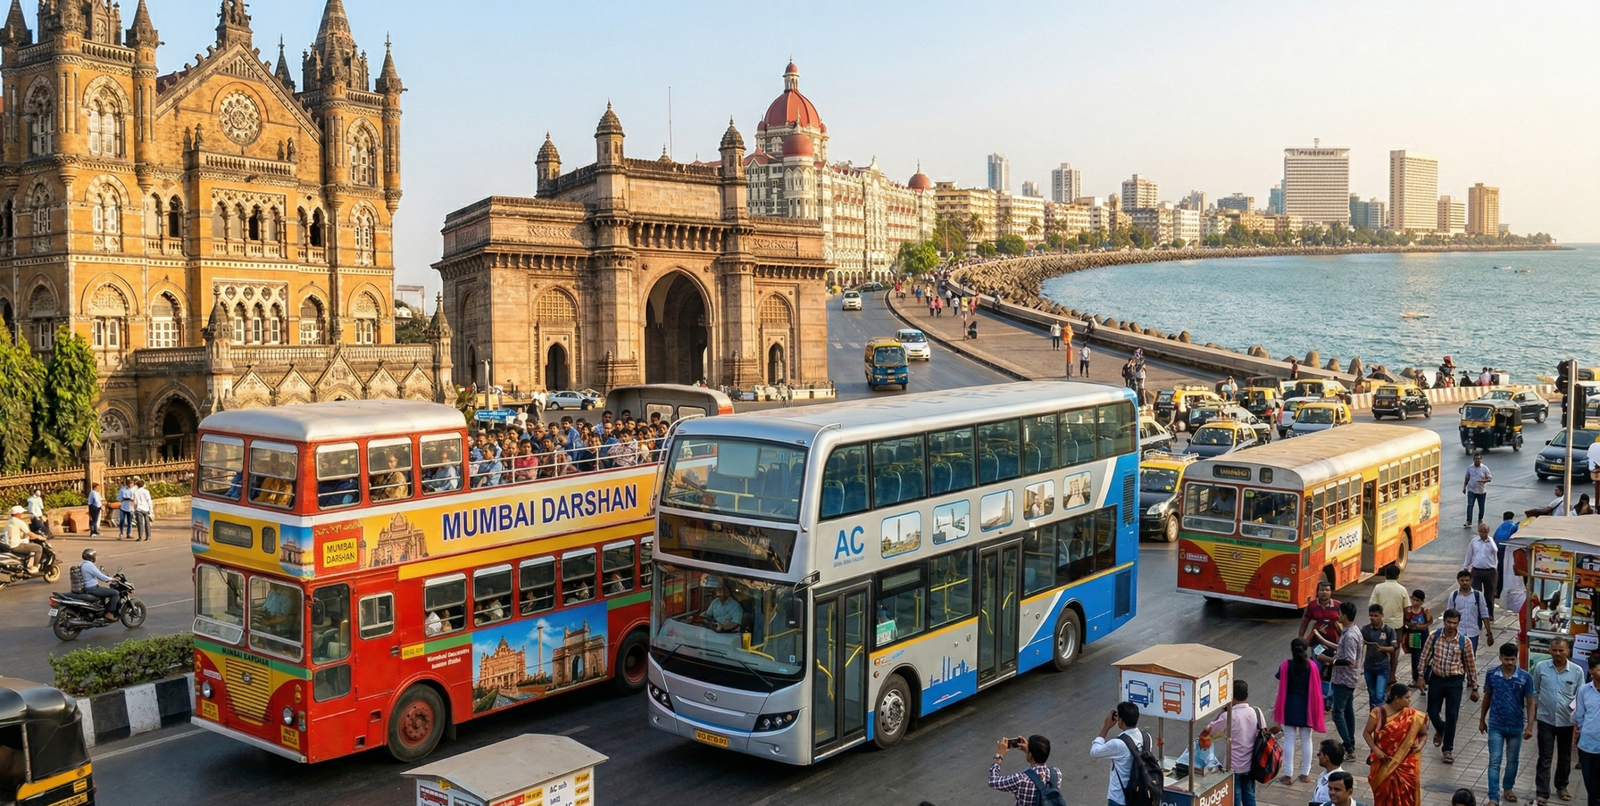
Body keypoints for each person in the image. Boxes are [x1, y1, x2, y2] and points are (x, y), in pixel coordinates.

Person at [1419, 609, 1481, 764]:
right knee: (1432, 711)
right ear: (1444, 621)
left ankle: (1447, 749)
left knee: (1452, 714)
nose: (1451, 625)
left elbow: (1470, 664)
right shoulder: (1434, 636)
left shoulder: (1464, 642)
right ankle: (1441, 728)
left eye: (1455, 623)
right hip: (1436, 679)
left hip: (1455, 682)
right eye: (1449, 622)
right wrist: (1420, 676)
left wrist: (1474, 686)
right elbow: (1425, 656)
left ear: (1458, 623)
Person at [1481, 642, 1536, 806]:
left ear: (1516, 658)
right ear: (1500, 658)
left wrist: (1530, 726)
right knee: (1494, 761)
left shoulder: (1525, 677)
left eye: (1513, 659)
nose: (1510, 663)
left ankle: (1508, 788)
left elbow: (1530, 702)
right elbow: (1487, 698)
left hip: (1516, 726)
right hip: (1496, 725)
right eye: (1506, 659)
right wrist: (1482, 720)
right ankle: (1493, 797)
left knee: (1513, 760)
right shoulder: (1492, 675)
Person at [1530, 636, 1583, 805]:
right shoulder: (1541, 667)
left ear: (1568, 651)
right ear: (1549, 650)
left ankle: (1561, 786)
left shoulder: (1577, 671)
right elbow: (1535, 689)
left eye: (1561, 650)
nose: (1558, 653)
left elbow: (1580, 697)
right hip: (1545, 719)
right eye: (1555, 650)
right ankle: (1542, 793)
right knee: (1545, 757)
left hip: (1567, 721)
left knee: (1565, 756)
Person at [1363, 684, 1426, 806]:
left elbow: (1424, 734)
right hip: (1383, 762)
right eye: (1407, 697)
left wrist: (1420, 746)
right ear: (1397, 698)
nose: (1410, 700)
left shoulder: (1414, 716)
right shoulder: (1378, 713)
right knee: (1383, 795)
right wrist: (1376, 750)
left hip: (1406, 764)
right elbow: (1366, 733)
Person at [1276, 637, 1327, 782]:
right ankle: (1305, 774)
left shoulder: (1285, 665)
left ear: (1291, 650)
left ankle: (1288, 774)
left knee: (1289, 740)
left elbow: (1279, 677)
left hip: (1290, 706)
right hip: (1307, 708)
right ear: (1306, 650)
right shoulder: (1312, 666)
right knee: (1307, 740)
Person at [1205, 679, 1262, 805]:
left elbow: (1210, 730)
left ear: (1230, 696)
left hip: (1234, 765)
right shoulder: (1256, 711)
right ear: (1246, 695)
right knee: (1249, 795)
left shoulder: (1228, 716)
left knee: (1234, 799)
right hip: (1252, 763)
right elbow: (1263, 731)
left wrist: (1223, 710)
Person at [1090, 702, 1150, 806]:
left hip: (1119, 799)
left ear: (1121, 721)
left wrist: (1106, 727)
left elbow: (1094, 752)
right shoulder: (1147, 737)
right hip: (1139, 796)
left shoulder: (1118, 744)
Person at [988, 734, 1061, 806]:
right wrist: (1029, 751)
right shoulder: (1056, 773)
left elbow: (992, 781)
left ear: (1030, 755)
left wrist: (999, 755)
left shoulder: (1021, 779)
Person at [1329, 601, 1363, 756]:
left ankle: (1348, 745)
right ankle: (1351, 742)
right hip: (1348, 679)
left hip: (1344, 679)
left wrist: (1331, 661)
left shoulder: (1350, 635)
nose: (1337, 616)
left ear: (1345, 615)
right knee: (1348, 710)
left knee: (1337, 713)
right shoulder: (1352, 630)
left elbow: (1350, 660)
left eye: (1339, 613)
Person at [1301, 579, 1343, 705]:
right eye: (1322, 590)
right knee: (1317, 668)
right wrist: (1301, 639)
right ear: (1317, 592)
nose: (1324, 592)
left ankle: (1327, 701)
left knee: (1330, 671)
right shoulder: (1312, 605)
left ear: (1331, 592)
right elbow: (1305, 622)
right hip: (1317, 643)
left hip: (1334, 644)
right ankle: (1315, 697)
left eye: (1327, 590)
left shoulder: (1338, 605)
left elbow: (1343, 625)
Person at [1371, 565, 1409, 680]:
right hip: (1397, 625)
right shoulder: (1402, 590)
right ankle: (1392, 675)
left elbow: (1372, 605)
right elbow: (1407, 608)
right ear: (1398, 576)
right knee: (1394, 649)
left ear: (1386, 575)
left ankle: (1380, 674)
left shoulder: (1378, 588)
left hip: (1381, 625)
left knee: (1379, 648)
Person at [1446, 568, 1494, 650]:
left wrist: (1489, 633)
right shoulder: (1453, 596)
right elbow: (1448, 616)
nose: (1465, 582)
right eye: (1462, 580)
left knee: (1471, 657)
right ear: (1458, 581)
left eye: (1467, 580)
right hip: (1457, 633)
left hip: (1473, 632)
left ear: (1471, 580)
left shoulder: (1478, 595)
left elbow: (1484, 614)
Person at [1573, 657, 1600, 801]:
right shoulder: (1584, 690)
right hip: (1586, 745)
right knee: (1591, 786)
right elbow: (1580, 715)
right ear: (1591, 671)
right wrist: (1585, 731)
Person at [1364, 604, 1399, 707]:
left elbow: (1393, 648)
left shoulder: (1389, 630)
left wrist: (1381, 648)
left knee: (1379, 695)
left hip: (1382, 667)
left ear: (1382, 615)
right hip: (1369, 666)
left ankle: (1381, 718)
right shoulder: (1365, 629)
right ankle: (1373, 717)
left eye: (1376, 616)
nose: (1373, 618)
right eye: (1371, 615)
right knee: (1372, 694)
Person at [1465, 521, 1500, 619]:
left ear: (1488, 531)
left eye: (1485, 531)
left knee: (1489, 594)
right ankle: (1477, 613)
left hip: (1490, 571)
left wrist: (1488, 540)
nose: (1483, 533)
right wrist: (1465, 566)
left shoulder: (1491, 542)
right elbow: (1469, 554)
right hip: (1476, 571)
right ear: (1478, 531)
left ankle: (1489, 614)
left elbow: (1495, 550)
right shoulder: (1474, 541)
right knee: (1476, 593)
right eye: (1481, 531)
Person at [78, 548, 120, 620]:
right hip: (92, 588)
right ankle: (109, 613)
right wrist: (111, 579)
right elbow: (100, 576)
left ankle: (101, 611)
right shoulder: (89, 565)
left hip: (84, 587)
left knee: (103, 593)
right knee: (115, 593)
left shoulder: (81, 564)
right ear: (91, 557)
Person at [1401, 590, 1432, 686]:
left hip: (1423, 635)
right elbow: (1404, 621)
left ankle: (1425, 678)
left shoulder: (1425, 611)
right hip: (1413, 635)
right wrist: (1412, 625)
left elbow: (1430, 621)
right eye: (1413, 600)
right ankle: (1415, 679)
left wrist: (1422, 627)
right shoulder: (1408, 611)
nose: (1415, 602)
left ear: (1422, 601)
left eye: (1417, 600)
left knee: (1425, 656)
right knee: (1415, 658)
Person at [3, 505, 43, 572]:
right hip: (16, 545)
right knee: (38, 548)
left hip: (8, 545)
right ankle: (35, 567)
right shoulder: (19, 522)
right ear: (18, 514)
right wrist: (39, 537)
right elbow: (29, 533)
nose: (22, 514)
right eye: (21, 513)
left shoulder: (9, 521)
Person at [1493, 511, 1519, 599]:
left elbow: (1494, 537)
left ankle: (1497, 590)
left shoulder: (1500, 527)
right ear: (1512, 517)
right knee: (1507, 570)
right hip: (1507, 551)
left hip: (1499, 550)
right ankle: (1504, 590)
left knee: (1500, 569)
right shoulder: (1513, 526)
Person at [1313, 740, 1347, 806]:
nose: (1318, 757)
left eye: (1319, 754)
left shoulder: (1341, 782)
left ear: (1326, 758)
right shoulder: (1323, 775)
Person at [1463, 452, 1492, 528]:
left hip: (1481, 490)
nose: (1477, 460)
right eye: (1476, 459)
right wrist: (1464, 487)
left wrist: (1484, 481)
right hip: (1471, 489)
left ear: (1481, 459)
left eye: (1479, 459)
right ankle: (1469, 521)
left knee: (1481, 506)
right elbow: (1467, 477)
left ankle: (1480, 519)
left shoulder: (1484, 468)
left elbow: (1490, 478)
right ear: (1473, 459)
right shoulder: (1470, 468)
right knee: (1470, 505)